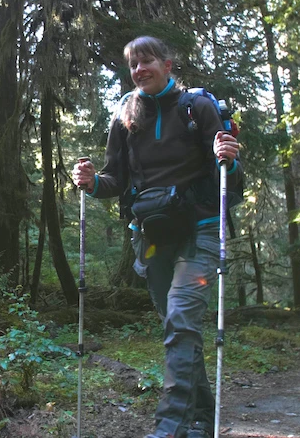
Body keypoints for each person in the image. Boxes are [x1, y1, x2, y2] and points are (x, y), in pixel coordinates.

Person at [72, 36, 241, 438]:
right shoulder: (126, 115)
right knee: (176, 326)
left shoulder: (198, 108)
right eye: (133, 65)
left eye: (147, 61)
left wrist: (230, 161)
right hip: (149, 237)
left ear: (168, 63)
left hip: (199, 231)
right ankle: (200, 422)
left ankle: (169, 428)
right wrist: (93, 182)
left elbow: (229, 176)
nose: (139, 70)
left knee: (181, 318)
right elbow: (116, 179)